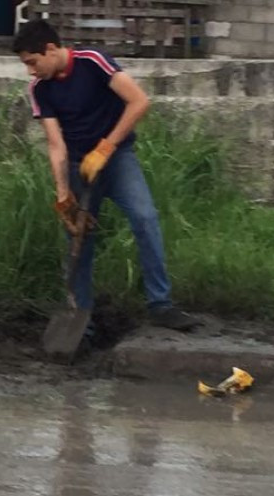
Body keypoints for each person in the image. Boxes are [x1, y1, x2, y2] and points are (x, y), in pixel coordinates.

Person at [13, 20, 200, 333]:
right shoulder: (40, 89)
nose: (30, 71)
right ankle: (80, 318)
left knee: (145, 218)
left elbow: (139, 101)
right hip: (76, 166)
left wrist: (106, 148)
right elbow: (56, 144)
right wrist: (63, 194)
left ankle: (160, 304)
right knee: (79, 238)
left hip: (116, 160)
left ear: (50, 49)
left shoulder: (93, 63)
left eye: (32, 62)